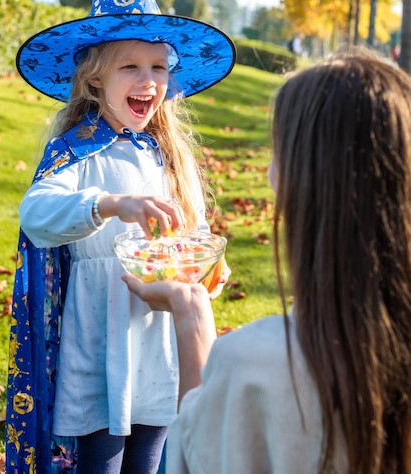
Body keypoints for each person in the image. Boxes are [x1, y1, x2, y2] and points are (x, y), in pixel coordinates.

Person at [5, 0, 235, 474]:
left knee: (153, 455)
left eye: (159, 68)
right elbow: (37, 213)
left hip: (157, 342)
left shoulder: (166, 156)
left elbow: (192, 232)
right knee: (101, 462)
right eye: (132, 66)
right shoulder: (77, 152)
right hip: (98, 342)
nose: (149, 81)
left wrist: (206, 266)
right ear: (95, 76)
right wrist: (111, 204)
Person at [123, 48, 411, 473]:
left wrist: (191, 318)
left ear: (298, 182)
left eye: (279, 152)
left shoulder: (258, 366)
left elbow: (198, 458)